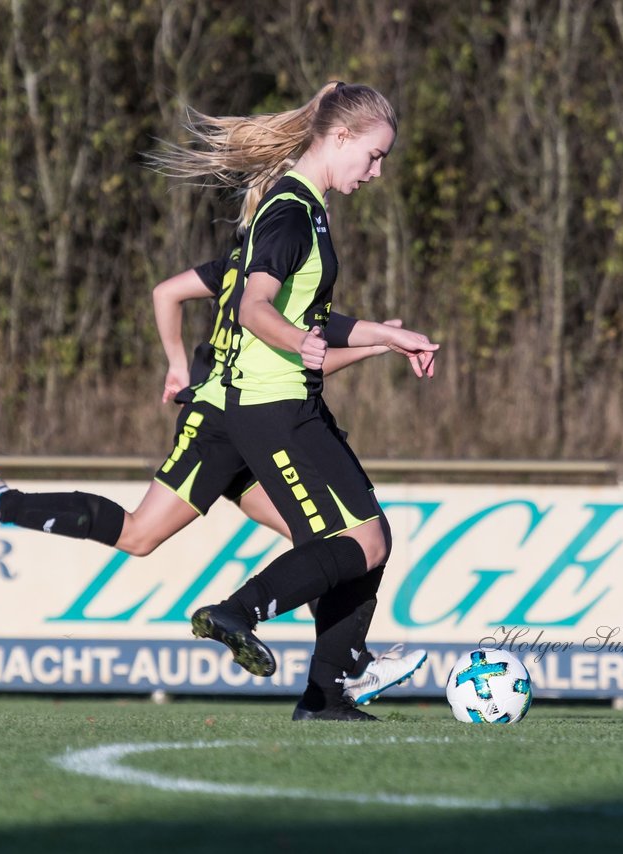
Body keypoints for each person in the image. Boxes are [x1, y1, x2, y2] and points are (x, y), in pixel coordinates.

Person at [0, 218, 427, 706]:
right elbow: (299, 359)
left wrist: (178, 363)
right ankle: (3, 503)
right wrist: (377, 343)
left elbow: (166, 292)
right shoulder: (277, 275)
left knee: (323, 543)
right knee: (141, 533)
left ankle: (349, 665)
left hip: (239, 417)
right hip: (224, 420)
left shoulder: (236, 267)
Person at [156, 81, 439, 721]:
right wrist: (299, 343)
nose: (377, 171)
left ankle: (327, 693)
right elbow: (256, 309)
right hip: (272, 405)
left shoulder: (306, 207)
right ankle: (238, 612)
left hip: (288, 401)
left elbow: (314, 313)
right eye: (373, 156)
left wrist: (384, 335)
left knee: (367, 539)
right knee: (361, 541)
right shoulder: (289, 209)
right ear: (339, 138)